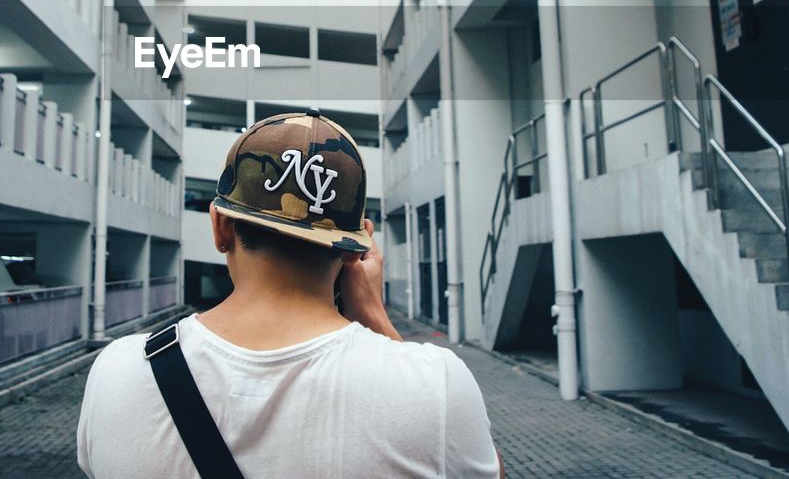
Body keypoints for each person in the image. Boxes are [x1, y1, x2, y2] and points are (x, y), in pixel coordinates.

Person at [77, 110, 502, 478]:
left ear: (220, 226)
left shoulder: (119, 372)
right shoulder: (434, 387)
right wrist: (374, 315)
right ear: (358, 245)